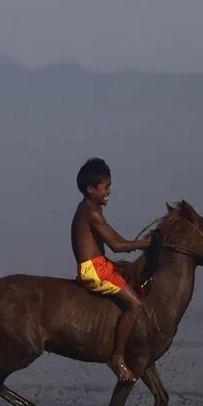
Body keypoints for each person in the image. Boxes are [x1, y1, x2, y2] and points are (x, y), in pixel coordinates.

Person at [71, 158, 151, 382]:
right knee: (136, 305)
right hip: (95, 270)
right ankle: (117, 357)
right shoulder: (91, 212)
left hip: (101, 264)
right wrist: (146, 243)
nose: (109, 191)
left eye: (109, 186)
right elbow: (118, 245)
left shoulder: (91, 207)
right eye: (105, 187)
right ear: (91, 189)